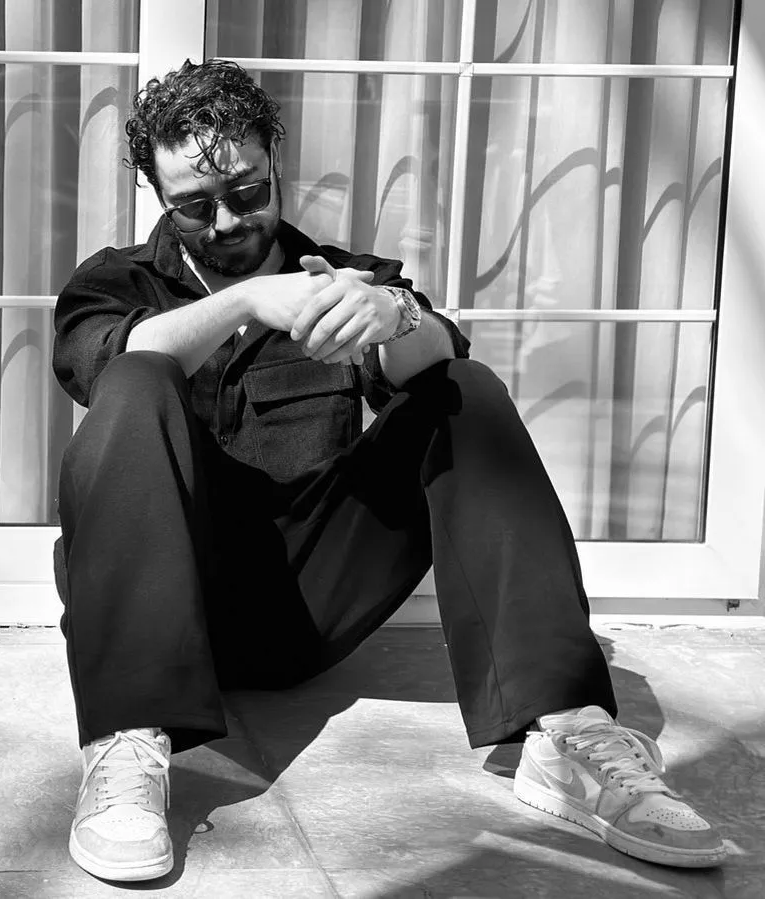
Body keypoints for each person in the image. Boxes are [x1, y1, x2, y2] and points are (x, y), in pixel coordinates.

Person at [50, 58, 726, 882]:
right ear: (159, 196)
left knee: (461, 389)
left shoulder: (339, 278)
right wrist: (247, 302)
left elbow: (435, 356)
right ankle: (126, 742)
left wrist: (395, 313)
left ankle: (567, 731)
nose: (225, 221)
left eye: (248, 192)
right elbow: (105, 362)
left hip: (307, 599)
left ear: (275, 166)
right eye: (194, 205)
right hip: (154, 601)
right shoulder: (114, 280)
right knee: (136, 378)